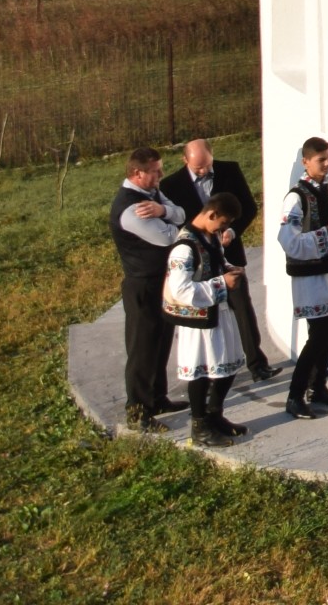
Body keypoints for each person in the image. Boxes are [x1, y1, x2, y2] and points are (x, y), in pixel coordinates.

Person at [165, 137, 270, 387]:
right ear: (185, 160)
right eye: (197, 168)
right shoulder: (171, 185)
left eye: (207, 166)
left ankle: (256, 363)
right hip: (198, 261)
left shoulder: (230, 170)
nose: (203, 171)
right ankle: (209, 369)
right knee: (208, 318)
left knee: (242, 308)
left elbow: (248, 207)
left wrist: (231, 232)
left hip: (227, 252)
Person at [271, 136, 328, 420]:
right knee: (318, 335)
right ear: (306, 162)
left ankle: (318, 387)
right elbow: (287, 238)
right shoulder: (296, 197)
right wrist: (324, 235)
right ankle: (295, 395)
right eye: (321, 159)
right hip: (312, 276)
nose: (327, 164)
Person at [164, 194, 248, 446]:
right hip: (198, 320)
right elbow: (180, 290)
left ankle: (215, 414)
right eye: (222, 223)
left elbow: (214, 262)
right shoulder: (183, 248)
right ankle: (199, 426)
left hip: (218, 311)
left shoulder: (209, 237)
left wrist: (228, 268)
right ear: (211, 214)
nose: (223, 230)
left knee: (229, 364)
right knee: (200, 371)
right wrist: (222, 283)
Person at [111, 148, 183, 430]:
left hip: (160, 281)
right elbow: (168, 237)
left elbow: (180, 213)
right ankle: (138, 411)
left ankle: (157, 397)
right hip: (142, 284)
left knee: (162, 340)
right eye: (155, 171)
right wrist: (178, 222)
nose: (160, 176)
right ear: (136, 173)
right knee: (142, 348)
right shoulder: (131, 209)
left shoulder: (152, 194)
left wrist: (164, 210)